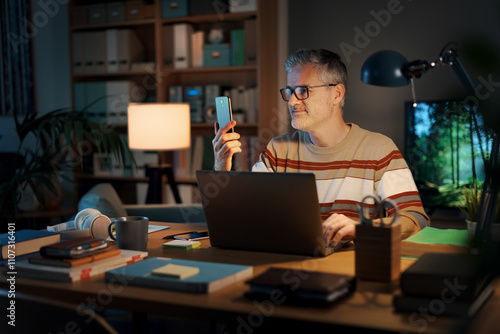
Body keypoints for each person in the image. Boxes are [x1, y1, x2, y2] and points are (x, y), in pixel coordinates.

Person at [212, 48, 430, 247]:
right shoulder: (278, 150)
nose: (292, 102)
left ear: (337, 94)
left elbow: (414, 217)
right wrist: (222, 167)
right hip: (285, 265)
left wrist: (360, 229)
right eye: (289, 92)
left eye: (302, 91)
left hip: (351, 269)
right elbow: (244, 219)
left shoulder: (379, 149)